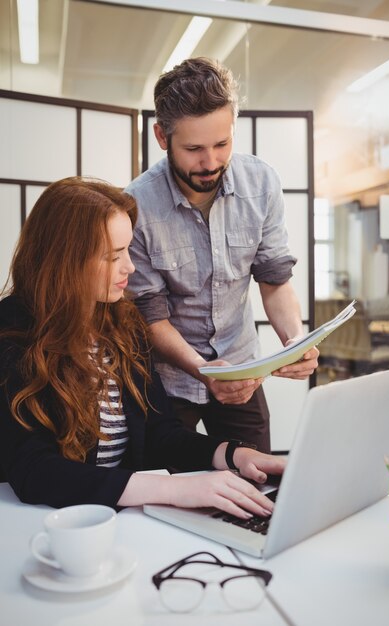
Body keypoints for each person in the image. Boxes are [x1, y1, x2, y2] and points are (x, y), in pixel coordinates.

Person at [0, 176, 286, 517]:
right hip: (48, 524)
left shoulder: (122, 323)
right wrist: (171, 489)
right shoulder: (11, 330)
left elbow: (159, 432)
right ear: (65, 260)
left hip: (119, 520)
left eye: (128, 250)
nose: (130, 267)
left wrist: (231, 454)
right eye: (113, 256)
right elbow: (34, 470)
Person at [125, 57, 319, 453]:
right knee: (168, 489)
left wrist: (295, 340)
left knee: (255, 484)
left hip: (242, 369)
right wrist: (201, 369)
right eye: (194, 148)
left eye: (222, 143)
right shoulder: (137, 204)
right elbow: (150, 316)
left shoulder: (261, 183)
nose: (211, 162)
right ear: (162, 137)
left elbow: (275, 279)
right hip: (166, 379)